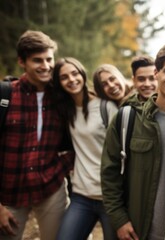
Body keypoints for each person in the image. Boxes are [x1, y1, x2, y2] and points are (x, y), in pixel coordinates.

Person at [101, 42, 165, 240]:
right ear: (157, 73)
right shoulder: (126, 118)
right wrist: (119, 220)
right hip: (137, 230)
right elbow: (110, 174)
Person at [0, 30, 74, 240]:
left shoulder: (63, 96)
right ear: (22, 62)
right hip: (8, 194)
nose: (45, 65)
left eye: (49, 59)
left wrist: (62, 167)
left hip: (50, 189)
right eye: (37, 60)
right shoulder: (5, 95)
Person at [52, 57, 118, 240]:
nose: (71, 80)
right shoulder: (66, 111)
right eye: (64, 77)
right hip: (82, 196)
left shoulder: (106, 107)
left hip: (110, 198)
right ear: (59, 83)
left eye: (74, 73)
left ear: (82, 74)